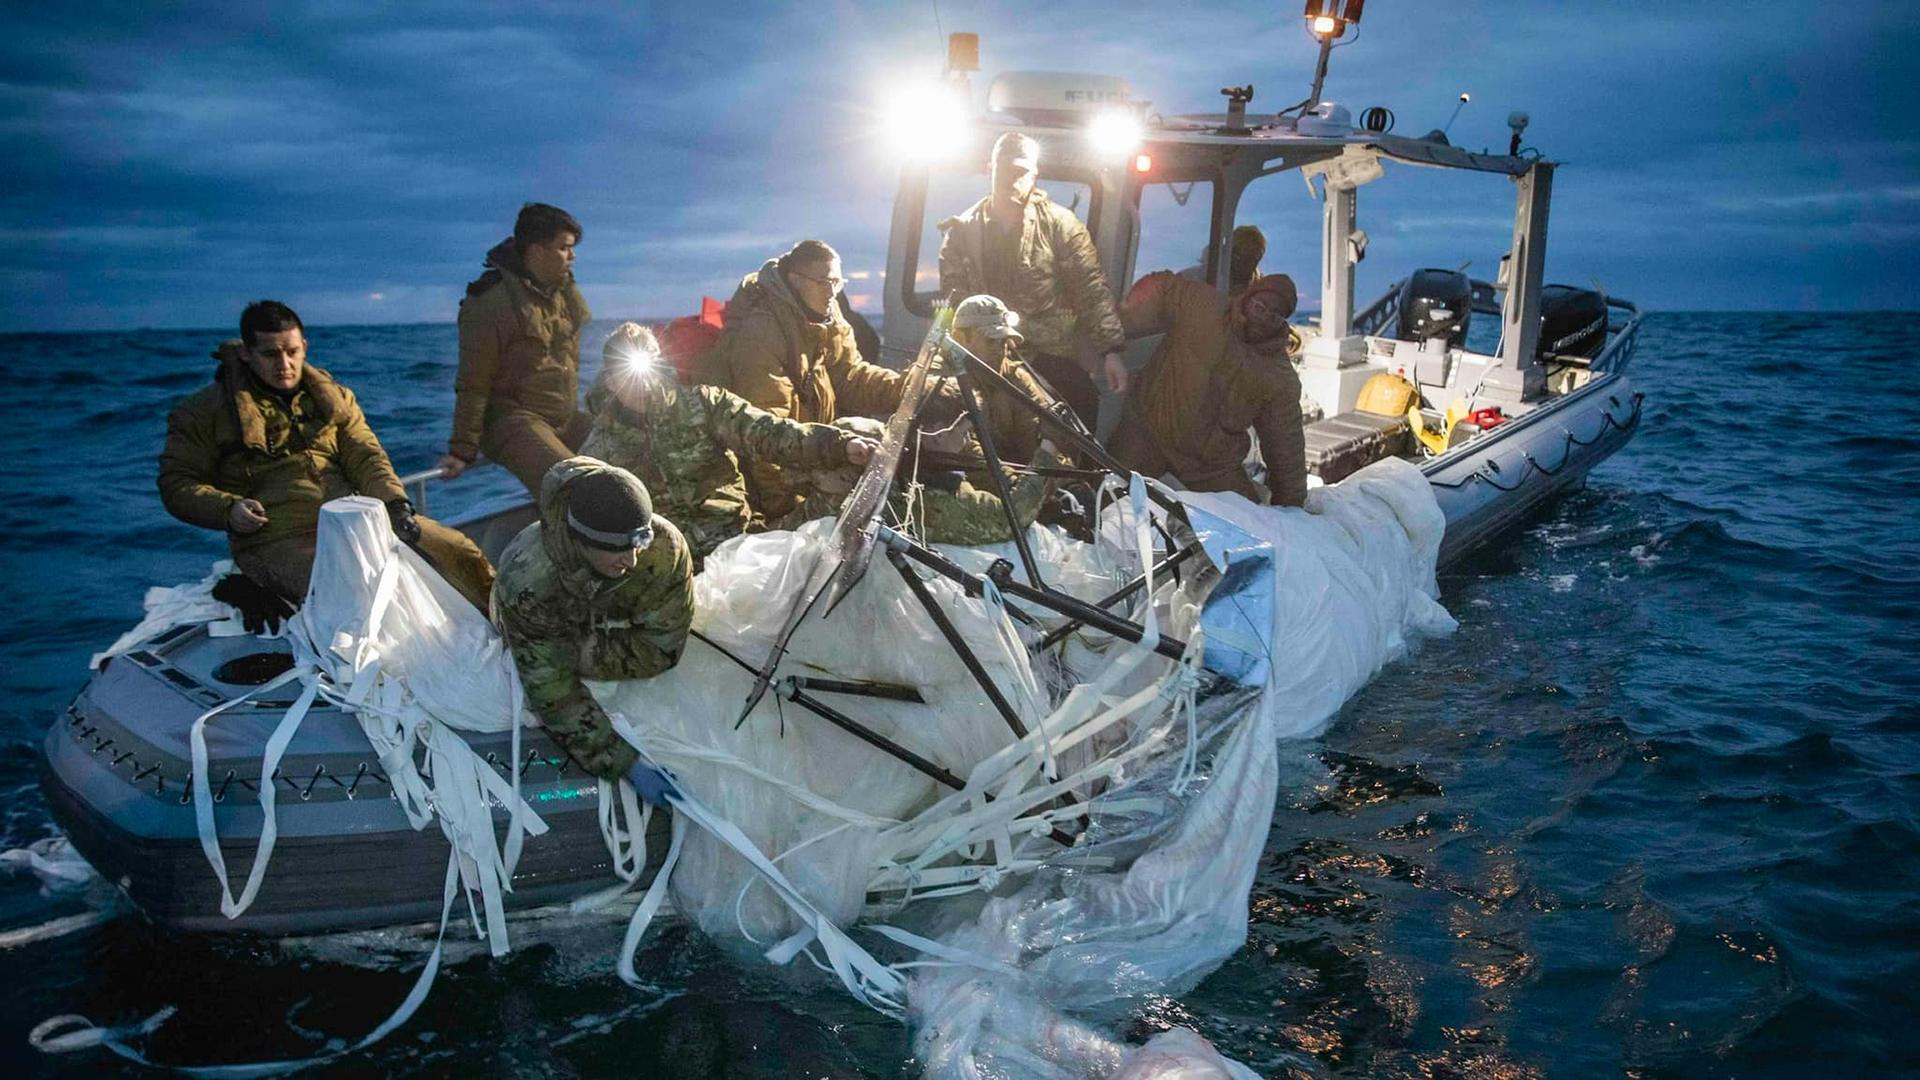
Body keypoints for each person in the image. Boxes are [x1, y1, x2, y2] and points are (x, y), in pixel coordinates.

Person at [158, 301, 495, 623]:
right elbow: (177, 484)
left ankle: (511, 633)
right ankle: (251, 584)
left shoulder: (335, 398)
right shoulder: (203, 412)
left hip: (355, 520)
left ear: (304, 345)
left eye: (292, 352)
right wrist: (228, 509)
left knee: (459, 552)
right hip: (275, 538)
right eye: (270, 354)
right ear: (246, 354)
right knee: (353, 591)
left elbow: (366, 456)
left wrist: (395, 506)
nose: (284, 364)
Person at [582, 323, 878, 564]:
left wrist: (840, 445)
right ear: (609, 382)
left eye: (648, 371)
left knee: (849, 473)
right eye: (628, 375)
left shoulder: (704, 403)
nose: (644, 386)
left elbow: (770, 433)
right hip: (669, 570)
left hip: (740, 545)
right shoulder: (600, 449)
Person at [491, 457, 692, 797]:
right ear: (582, 541)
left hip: (595, 620)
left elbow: (663, 646)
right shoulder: (528, 580)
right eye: (616, 551)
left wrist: (601, 636)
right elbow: (552, 688)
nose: (631, 561)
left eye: (637, 545)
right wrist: (623, 763)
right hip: (538, 623)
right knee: (547, 671)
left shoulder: (663, 546)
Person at [696, 239, 920, 520]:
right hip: (776, 475)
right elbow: (765, 437)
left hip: (811, 450)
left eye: (837, 282)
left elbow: (851, 376)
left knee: (878, 441)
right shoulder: (761, 335)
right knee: (858, 451)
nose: (832, 292)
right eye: (824, 281)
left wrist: (908, 389)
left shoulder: (826, 318)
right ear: (796, 280)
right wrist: (786, 514)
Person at [937, 132, 1127, 430]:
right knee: (948, 411)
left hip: (1047, 354)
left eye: (1021, 171)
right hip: (985, 355)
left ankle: (1079, 476)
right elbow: (954, 302)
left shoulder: (1060, 226)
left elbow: (1090, 288)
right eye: (1005, 170)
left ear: (1035, 174)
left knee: (1081, 402)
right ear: (990, 168)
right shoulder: (962, 232)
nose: (1012, 179)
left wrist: (1110, 351)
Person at [1107, 272, 1308, 507]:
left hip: (1209, 465)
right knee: (1102, 493)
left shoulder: (1279, 376)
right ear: (1248, 298)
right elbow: (1162, 286)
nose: (1263, 319)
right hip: (1149, 431)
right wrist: (1119, 323)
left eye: (1275, 316)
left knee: (1249, 527)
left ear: (1283, 322)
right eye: (1260, 307)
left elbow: (1286, 446)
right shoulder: (1203, 305)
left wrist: (1292, 506)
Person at [439, 203, 593, 496]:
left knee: (632, 454)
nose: (572, 256)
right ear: (536, 251)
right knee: (574, 485)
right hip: (513, 420)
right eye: (564, 248)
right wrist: (462, 449)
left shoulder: (561, 292)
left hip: (563, 417)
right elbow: (474, 381)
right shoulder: (491, 303)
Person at [946, 293, 1060, 465]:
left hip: (1013, 481)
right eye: (991, 341)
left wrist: (1066, 483)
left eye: (1004, 342)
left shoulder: (1013, 377)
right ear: (959, 339)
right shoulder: (942, 386)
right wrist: (1027, 484)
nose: (1001, 350)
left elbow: (1033, 435)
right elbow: (976, 462)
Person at [1179, 224, 1267, 299]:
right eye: (1241, 256)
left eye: (1253, 259)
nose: (1246, 265)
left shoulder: (1261, 296)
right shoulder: (1191, 280)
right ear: (1228, 251)